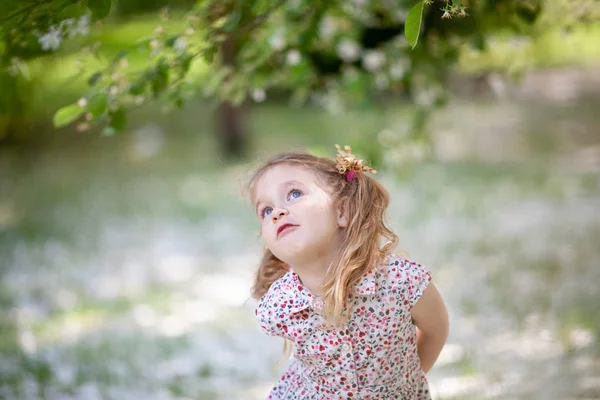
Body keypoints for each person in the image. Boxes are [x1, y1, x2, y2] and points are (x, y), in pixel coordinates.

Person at [248, 144, 449, 399]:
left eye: (294, 193)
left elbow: (436, 328)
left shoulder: (400, 281)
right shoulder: (280, 307)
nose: (277, 212)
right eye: (265, 210)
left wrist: (402, 383)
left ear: (342, 211)